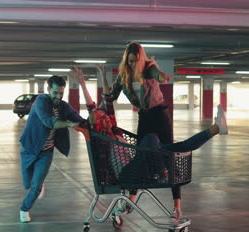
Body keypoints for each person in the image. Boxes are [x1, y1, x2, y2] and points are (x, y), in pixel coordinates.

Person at [71, 64, 228, 221]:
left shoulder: (113, 129)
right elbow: (91, 112)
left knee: (176, 148)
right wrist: (78, 107)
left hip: (136, 168)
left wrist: (99, 76)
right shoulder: (101, 137)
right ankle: (161, 171)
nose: (107, 118)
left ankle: (215, 129)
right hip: (124, 174)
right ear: (97, 124)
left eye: (105, 116)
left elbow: (107, 99)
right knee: (151, 138)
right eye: (103, 118)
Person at [18, 75, 86, 223]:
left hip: (46, 152)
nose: (58, 97)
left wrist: (90, 124)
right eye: (55, 93)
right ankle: (38, 182)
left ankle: (24, 209)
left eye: (61, 93)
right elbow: (49, 122)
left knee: (35, 186)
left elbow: (78, 118)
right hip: (29, 148)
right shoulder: (41, 101)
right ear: (48, 90)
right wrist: (69, 124)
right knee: (27, 183)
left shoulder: (63, 106)